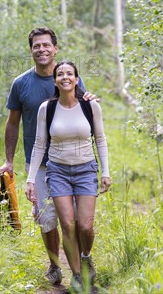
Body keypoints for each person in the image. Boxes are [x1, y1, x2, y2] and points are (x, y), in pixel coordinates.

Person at [0, 28, 96, 285]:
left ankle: (82, 264)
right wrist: (9, 160)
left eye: (45, 45)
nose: (41, 50)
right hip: (38, 161)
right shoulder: (21, 84)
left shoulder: (68, 76)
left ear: (55, 48)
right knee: (47, 218)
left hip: (70, 161)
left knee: (74, 220)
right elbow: (12, 123)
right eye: (36, 46)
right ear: (31, 51)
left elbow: (85, 108)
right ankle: (55, 265)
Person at [25, 61, 110, 290]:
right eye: (60, 74)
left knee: (85, 226)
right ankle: (78, 277)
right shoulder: (47, 108)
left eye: (69, 74)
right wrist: (31, 179)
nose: (65, 77)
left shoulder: (90, 106)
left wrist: (106, 172)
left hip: (85, 170)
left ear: (76, 79)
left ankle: (86, 256)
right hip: (58, 171)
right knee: (67, 224)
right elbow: (39, 144)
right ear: (55, 81)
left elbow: (100, 139)